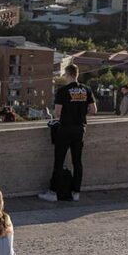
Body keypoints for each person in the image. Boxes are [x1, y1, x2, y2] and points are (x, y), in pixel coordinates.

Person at [39, 64, 96, 203]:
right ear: (77, 74)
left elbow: (57, 113)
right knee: (77, 162)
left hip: (65, 130)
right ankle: (76, 192)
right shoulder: (86, 89)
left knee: (59, 162)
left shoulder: (63, 91)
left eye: (65, 74)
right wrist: (81, 113)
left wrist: (64, 115)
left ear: (68, 74)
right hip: (80, 129)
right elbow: (93, 110)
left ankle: (53, 193)